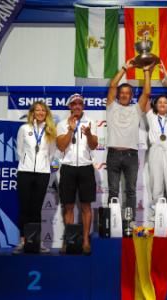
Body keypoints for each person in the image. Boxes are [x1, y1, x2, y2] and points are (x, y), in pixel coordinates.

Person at [105, 59, 152, 217]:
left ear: (131, 96)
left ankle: (129, 224)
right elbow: (112, 85)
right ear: (118, 95)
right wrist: (125, 67)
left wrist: (146, 71)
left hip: (131, 155)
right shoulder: (111, 106)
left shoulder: (136, 109)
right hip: (113, 155)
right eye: (122, 93)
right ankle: (112, 224)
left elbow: (146, 93)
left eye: (127, 93)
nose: (124, 95)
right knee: (113, 192)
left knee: (131, 192)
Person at [56, 93, 98, 254]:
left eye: (80, 103)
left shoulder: (91, 122)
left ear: (83, 106)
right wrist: (70, 131)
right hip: (68, 167)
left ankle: (86, 241)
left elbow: (94, 146)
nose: (77, 106)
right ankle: (69, 240)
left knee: (86, 206)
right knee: (68, 207)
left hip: (86, 167)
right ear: (70, 106)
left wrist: (87, 134)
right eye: (74, 104)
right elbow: (61, 146)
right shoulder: (61, 124)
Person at [14, 101, 57, 254]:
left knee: (36, 208)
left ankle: (36, 242)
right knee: (25, 208)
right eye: (37, 110)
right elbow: (19, 150)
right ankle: (23, 241)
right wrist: (26, 162)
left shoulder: (50, 130)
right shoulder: (24, 129)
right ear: (32, 112)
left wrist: (44, 164)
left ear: (46, 113)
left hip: (42, 174)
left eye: (43, 110)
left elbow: (52, 153)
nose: (40, 113)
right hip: (25, 172)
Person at [145, 63, 167, 226]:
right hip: (155, 151)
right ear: (155, 105)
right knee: (156, 186)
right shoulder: (151, 116)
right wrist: (149, 73)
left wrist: (166, 75)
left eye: (165, 103)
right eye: (159, 102)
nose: (162, 104)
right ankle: (157, 219)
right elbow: (146, 95)